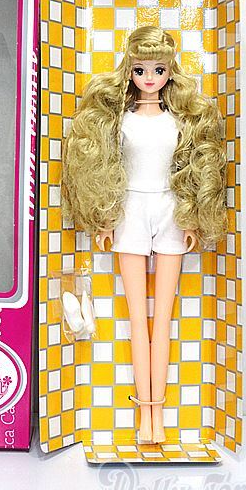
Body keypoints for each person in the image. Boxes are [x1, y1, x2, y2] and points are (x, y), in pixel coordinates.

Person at [61, 25, 228, 443]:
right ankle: (144, 414)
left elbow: (187, 169)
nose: (149, 77)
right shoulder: (120, 120)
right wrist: (105, 219)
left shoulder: (180, 121)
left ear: (170, 71)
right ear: (129, 70)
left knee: (163, 317)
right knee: (138, 316)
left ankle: (159, 414)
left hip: (171, 209)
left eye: (158, 69)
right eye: (140, 69)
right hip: (130, 209)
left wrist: (192, 217)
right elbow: (108, 167)